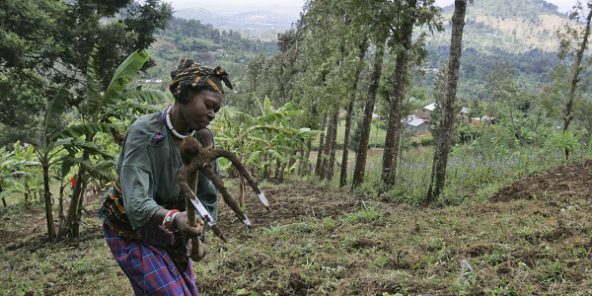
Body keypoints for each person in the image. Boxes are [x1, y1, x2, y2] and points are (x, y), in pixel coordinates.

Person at [99, 60, 232, 295]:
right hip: (130, 229)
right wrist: (175, 220)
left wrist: (198, 237)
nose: (212, 115)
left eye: (216, 111)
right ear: (183, 94)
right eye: (209, 105)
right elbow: (137, 203)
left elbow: (206, 195)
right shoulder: (145, 133)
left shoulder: (202, 140)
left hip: (172, 228)